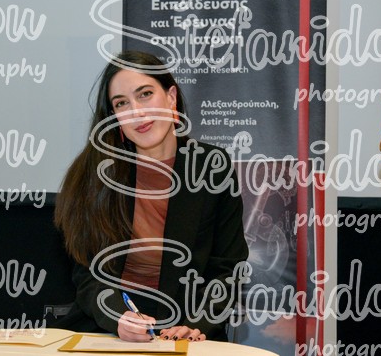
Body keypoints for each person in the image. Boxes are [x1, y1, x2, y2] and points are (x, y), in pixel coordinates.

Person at [53, 51, 249, 342]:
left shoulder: (211, 166)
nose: (136, 112)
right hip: (107, 331)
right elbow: (88, 275)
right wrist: (119, 318)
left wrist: (197, 324)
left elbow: (228, 269)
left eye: (145, 94)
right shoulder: (96, 174)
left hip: (186, 333)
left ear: (171, 97)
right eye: (121, 103)